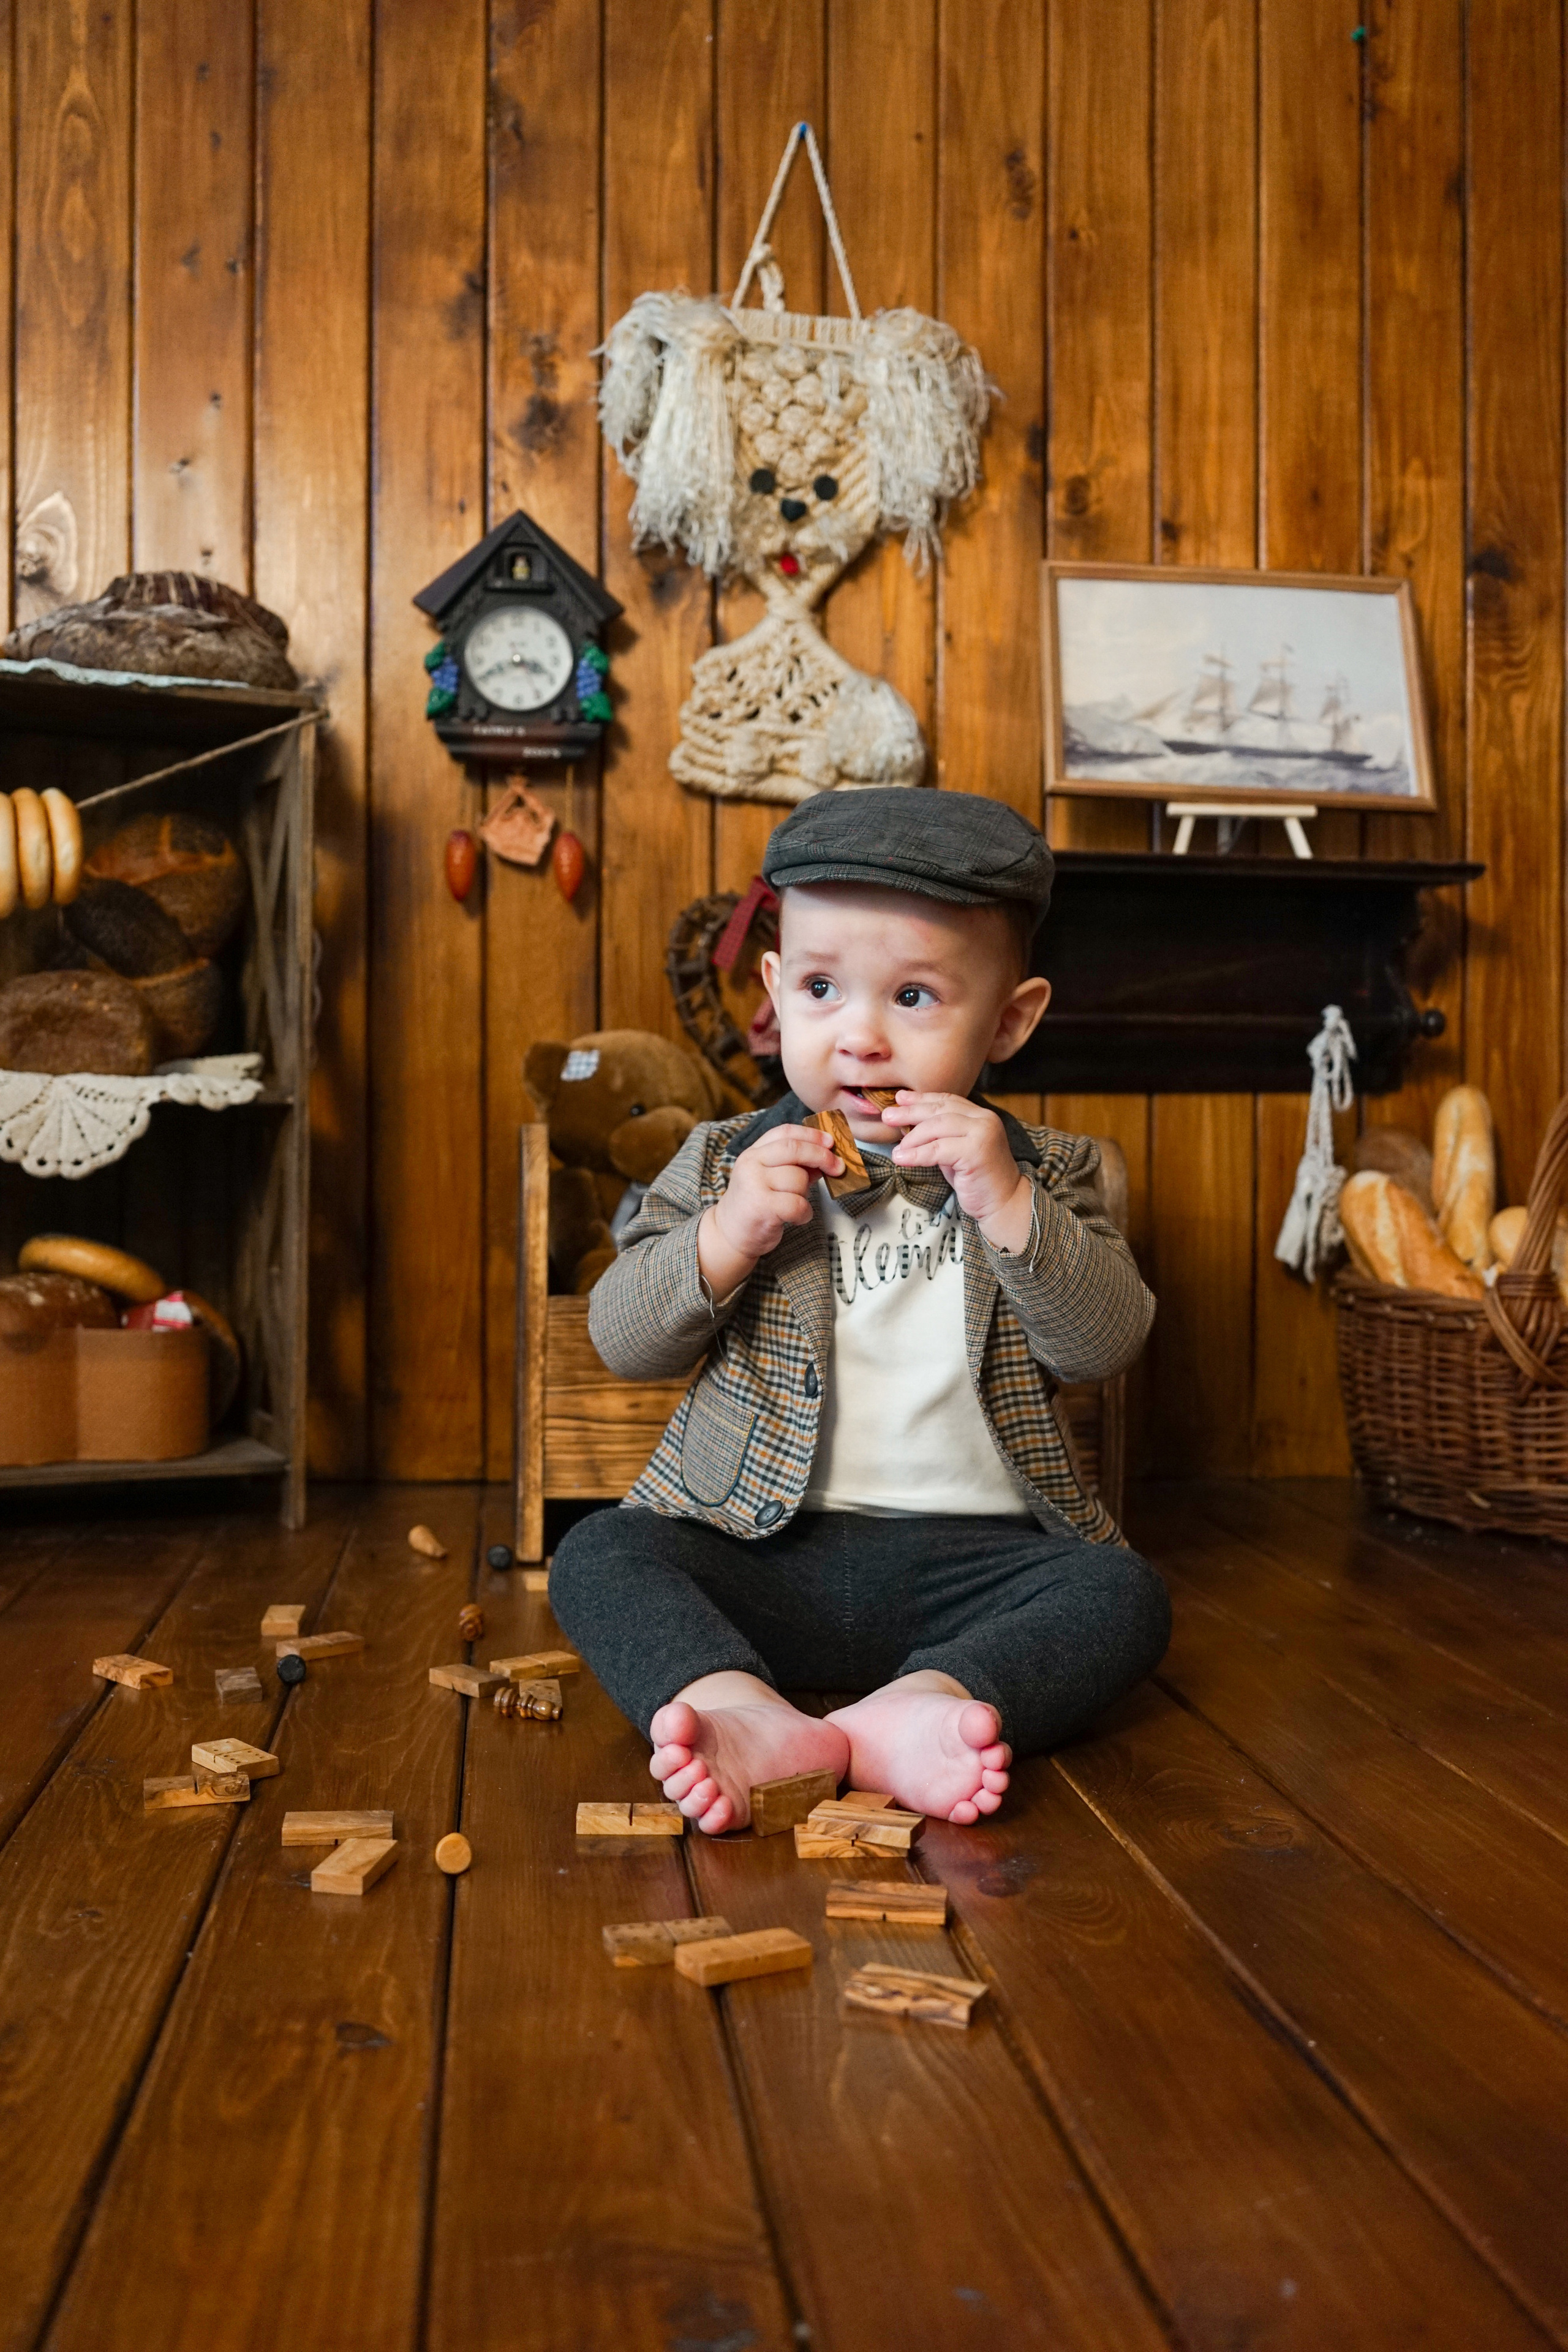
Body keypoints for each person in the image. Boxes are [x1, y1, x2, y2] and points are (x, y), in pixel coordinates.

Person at [549, 788, 1169, 1833]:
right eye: (825, 988)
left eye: (916, 998)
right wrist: (723, 1237)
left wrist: (1009, 1205)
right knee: (599, 1555)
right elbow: (620, 1339)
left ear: (1009, 1020)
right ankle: (734, 1704)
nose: (862, 1039)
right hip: (758, 1554)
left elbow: (1106, 1344)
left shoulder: (1050, 1175)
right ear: (776, 991)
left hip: (974, 1565)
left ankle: (928, 1704)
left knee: (1124, 1597)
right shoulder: (721, 1163)